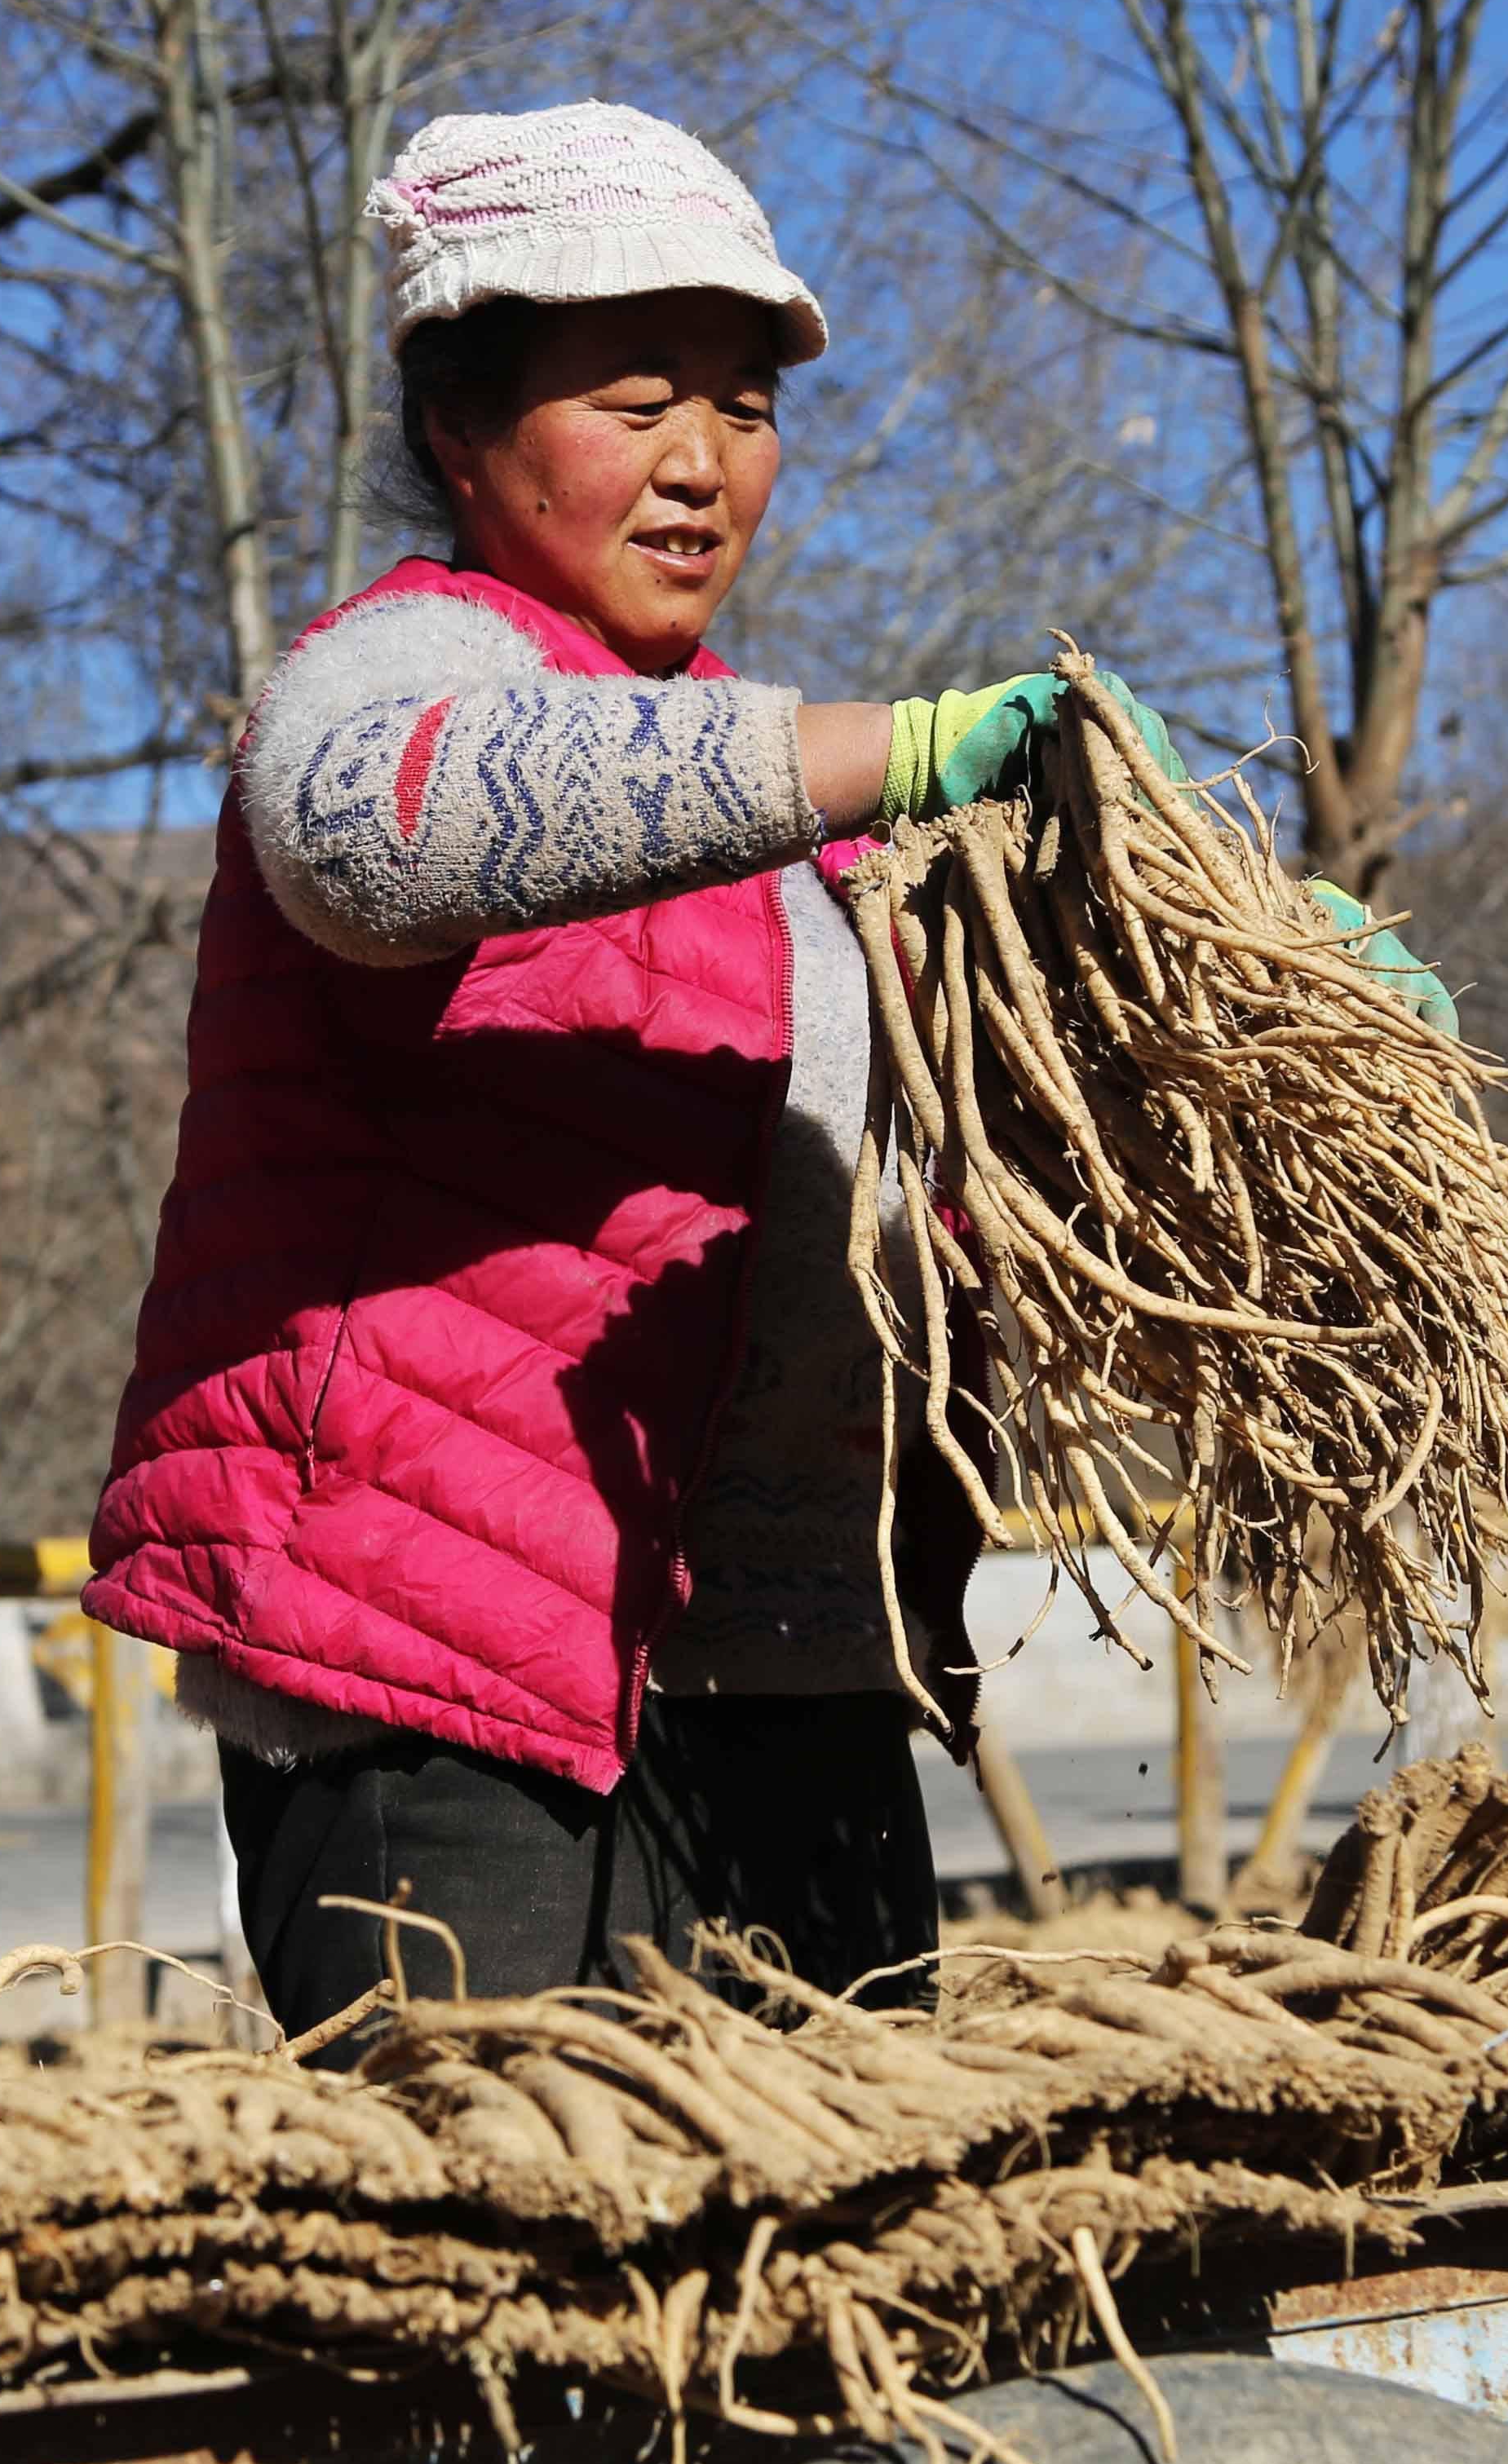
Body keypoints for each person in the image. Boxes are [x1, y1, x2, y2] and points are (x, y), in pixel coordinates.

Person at [82, 99, 1211, 2039]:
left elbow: (955, 1179)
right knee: (530, 2213)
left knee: (859, 2213)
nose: (703, 462)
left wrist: (1231, 992)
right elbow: (372, 833)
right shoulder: (401, 673)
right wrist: (895, 749)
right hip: (446, 1689)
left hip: (788, 1680)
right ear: (458, 427)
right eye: (635, 402)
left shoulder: (790, 829)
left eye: (746, 411)